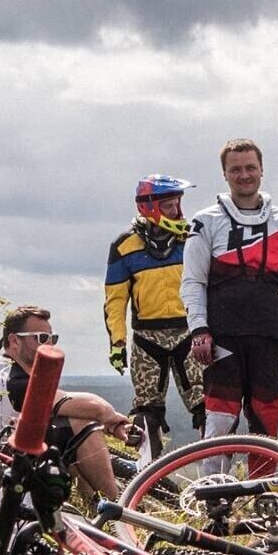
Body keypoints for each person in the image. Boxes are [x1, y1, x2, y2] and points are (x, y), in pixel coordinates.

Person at [181, 140, 278, 451]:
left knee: (266, 418)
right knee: (220, 418)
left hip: (268, 334)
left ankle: (265, 481)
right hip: (222, 336)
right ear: (224, 174)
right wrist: (199, 330)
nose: (244, 175)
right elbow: (193, 281)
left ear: (261, 170)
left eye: (250, 167)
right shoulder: (205, 220)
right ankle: (214, 482)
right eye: (235, 169)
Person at [0, 304, 135, 499]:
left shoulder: (1, 372)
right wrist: (111, 418)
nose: (49, 345)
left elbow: (69, 403)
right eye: (41, 338)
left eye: (52, 338)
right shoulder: (12, 381)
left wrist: (110, 424)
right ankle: (119, 508)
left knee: (66, 431)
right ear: (14, 341)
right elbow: (94, 408)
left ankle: (94, 504)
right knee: (84, 425)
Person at [105, 174, 205, 456]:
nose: (176, 211)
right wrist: (117, 342)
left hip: (189, 332)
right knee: (146, 412)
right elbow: (115, 299)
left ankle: (218, 470)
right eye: (169, 206)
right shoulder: (124, 246)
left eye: (177, 204)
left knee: (207, 405)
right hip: (147, 336)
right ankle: (148, 472)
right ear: (150, 208)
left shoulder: (191, 239)